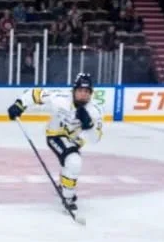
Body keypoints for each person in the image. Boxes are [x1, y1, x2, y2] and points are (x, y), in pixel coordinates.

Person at [6, 72, 103, 219]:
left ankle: (65, 187)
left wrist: (88, 125)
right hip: (55, 134)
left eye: (87, 91)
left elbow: (96, 138)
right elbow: (36, 94)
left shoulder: (95, 110)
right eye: (80, 90)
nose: (83, 94)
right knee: (73, 161)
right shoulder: (60, 99)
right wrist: (19, 104)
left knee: (70, 163)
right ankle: (68, 197)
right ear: (74, 90)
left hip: (74, 140)